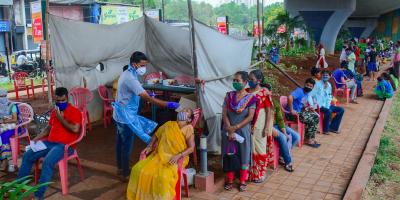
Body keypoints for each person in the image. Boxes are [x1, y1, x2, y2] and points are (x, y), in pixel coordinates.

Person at [112, 51, 180, 180]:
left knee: (120, 141)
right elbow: (148, 99)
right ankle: (125, 173)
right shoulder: (130, 78)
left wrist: (147, 94)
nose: (144, 68)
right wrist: (168, 104)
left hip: (120, 113)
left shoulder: (128, 73)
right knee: (126, 143)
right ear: (134, 64)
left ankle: (120, 168)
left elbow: (138, 92)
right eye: (142, 65)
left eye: (145, 65)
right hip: (125, 116)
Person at [17, 87, 82, 200]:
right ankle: (19, 187)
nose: (60, 103)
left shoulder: (75, 111)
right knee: (27, 156)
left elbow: (75, 129)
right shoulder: (54, 112)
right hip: (49, 143)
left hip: (65, 146)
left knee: (47, 162)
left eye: (63, 100)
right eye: (58, 101)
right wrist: (36, 138)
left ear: (67, 99)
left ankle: (38, 195)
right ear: (55, 100)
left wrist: (61, 119)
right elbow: (48, 129)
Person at [126, 108, 195, 200]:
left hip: (177, 158)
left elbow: (191, 148)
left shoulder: (188, 128)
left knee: (163, 178)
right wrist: (150, 146)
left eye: (186, 111)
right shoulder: (169, 124)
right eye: (183, 109)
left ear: (189, 119)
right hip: (159, 155)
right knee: (137, 170)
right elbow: (156, 134)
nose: (183, 111)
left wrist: (178, 155)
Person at [222, 71, 256, 192]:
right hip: (228, 130)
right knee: (229, 153)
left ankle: (242, 181)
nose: (235, 83)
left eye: (238, 81)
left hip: (243, 131)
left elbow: (250, 117)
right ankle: (230, 180)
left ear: (245, 82)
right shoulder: (228, 96)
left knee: (244, 155)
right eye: (234, 81)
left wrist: (235, 127)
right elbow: (224, 114)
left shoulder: (251, 98)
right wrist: (229, 128)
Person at [247, 70, 272, 183]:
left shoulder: (264, 93)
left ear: (259, 81)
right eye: (248, 79)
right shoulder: (245, 92)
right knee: (249, 150)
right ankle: (249, 174)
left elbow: (269, 111)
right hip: (247, 125)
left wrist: (266, 127)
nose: (249, 81)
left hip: (260, 126)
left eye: (251, 80)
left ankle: (260, 174)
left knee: (260, 149)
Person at [269, 87, 299, 172]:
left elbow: (280, 119)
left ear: (270, 92)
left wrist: (284, 131)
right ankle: (288, 162)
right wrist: (283, 134)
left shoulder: (274, 103)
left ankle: (281, 155)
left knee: (296, 137)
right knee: (283, 138)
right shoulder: (259, 103)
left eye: (268, 91)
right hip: (269, 127)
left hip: (277, 125)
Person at [286, 78, 320, 148]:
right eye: (307, 85)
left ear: (313, 88)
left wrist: (308, 108)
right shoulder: (299, 91)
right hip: (291, 115)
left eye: (311, 86)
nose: (309, 87)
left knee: (315, 117)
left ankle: (310, 138)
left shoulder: (306, 94)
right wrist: (291, 110)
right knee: (312, 118)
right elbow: (290, 97)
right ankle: (308, 139)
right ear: (304, 84)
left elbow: (301, 106)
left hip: (299, 114)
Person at [314, 70, 345, 134]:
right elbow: (313, 96)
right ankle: (325, 129)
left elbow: (329, 96)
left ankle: (333, 127)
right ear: (321, 76)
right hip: (319, 105)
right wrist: (317, 104)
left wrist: (328, 105)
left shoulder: (329, 85)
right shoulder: (317, 84)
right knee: (328, 111)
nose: (325, 76)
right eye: (324, 75)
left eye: (327, 75)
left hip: (327, 105)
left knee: (341, 110)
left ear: (329, 76)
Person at [0, 89, 18, 172]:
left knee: (4, 136)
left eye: (3, 96)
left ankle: (6, 161)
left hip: (12, 126)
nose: (2, 98)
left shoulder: (12, 105)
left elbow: (15, 119)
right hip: (3, 125)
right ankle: (3, 159)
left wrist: (4, 121)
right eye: (0, 97)